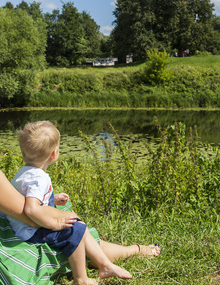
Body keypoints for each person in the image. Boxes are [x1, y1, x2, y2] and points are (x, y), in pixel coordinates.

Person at [0, 77, 160, 285]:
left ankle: (126, 252)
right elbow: (28, 214)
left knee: (66, 224)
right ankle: (133, 251)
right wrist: (65, 216)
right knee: (74, 233)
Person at [7, 120, 131, 284]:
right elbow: (31, 209)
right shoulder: (39, 178)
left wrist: (52, 198)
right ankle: (81, 278)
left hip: (22, 226)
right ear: (54, 154)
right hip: (30, 231)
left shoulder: (25, 172)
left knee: (76, 223)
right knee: (75, 229)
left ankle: (105, 264)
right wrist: (54, 224)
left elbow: (29, 197)